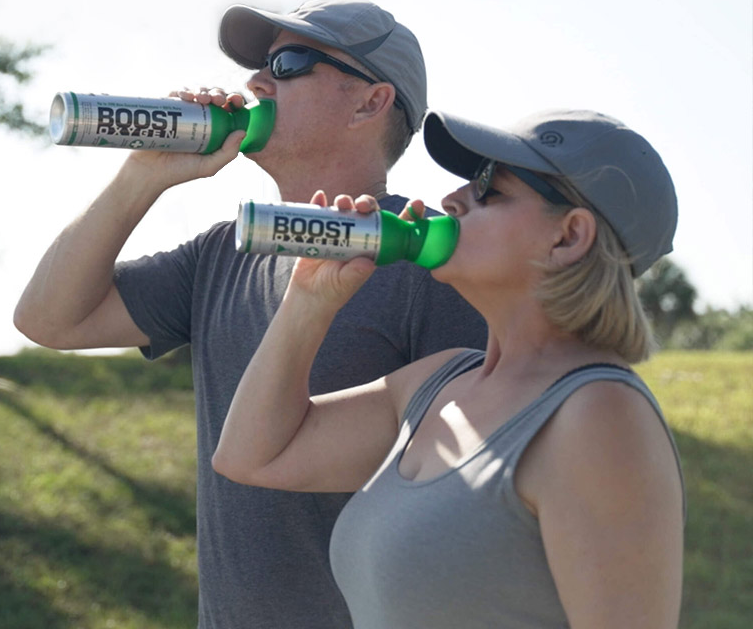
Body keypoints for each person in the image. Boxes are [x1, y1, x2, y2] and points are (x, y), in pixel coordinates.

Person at [14, 0, 486, 629]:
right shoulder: (222, 252)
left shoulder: (430, 264)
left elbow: (468, 495)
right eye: (260, 66)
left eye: (289, 64)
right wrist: (143, 176)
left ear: (370, 103)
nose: (255, 84)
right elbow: (48, 320)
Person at [213, 108, 686, 629]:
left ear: (569, 237)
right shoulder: (435, 382)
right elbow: (252, 457)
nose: (451, 200)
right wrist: (310, 298)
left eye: (490, 189)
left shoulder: (599, 415)